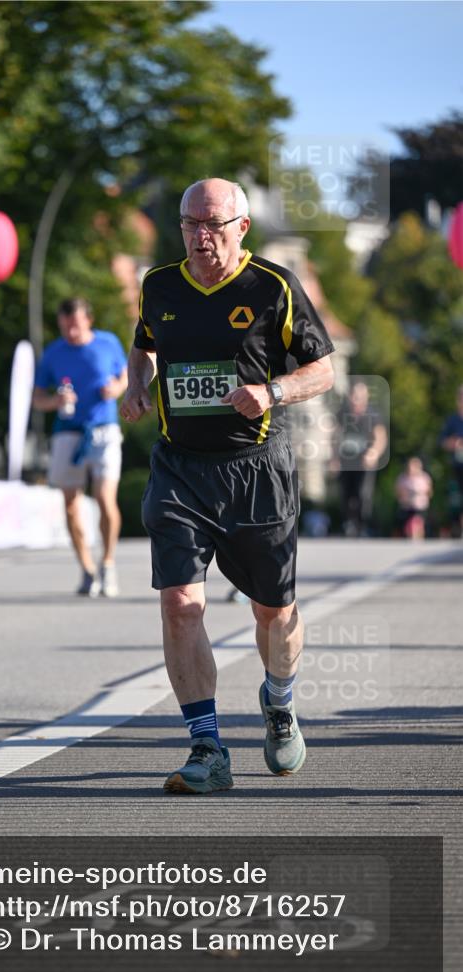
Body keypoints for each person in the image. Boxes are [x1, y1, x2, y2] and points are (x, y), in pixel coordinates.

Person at [120, 177, 335, 794]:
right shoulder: (159, 285)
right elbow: (145, 343)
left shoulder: (273, 288)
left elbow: (322, 369)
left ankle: (280, 701)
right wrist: (138, 383)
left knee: (275, 611)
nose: (201, 237)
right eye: (190, 224)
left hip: (256, 469)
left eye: (213, 225)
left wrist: (272, 391)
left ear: (242, 227)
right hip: (181, 468)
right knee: (180, 604)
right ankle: (207, 747)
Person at [33, 298, 128, 597]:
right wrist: (55, 402)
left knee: (104, 498)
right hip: (67, 432)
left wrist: (117, 388)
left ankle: (108, 563)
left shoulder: (108, 342)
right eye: (65, 327)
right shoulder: (53, 352)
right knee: (71, 506)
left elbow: (126, 375)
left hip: (104, 430)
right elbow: (37, 398)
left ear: (88, 320)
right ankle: (87, 569)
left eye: (74, 325)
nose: (70, 332)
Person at [335, 381, 387, 537]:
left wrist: (374, 453)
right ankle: (349, 524)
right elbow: (335, 436)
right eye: (353, 396)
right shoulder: (343, 413)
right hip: (346, 462)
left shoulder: (373, 415)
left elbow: (380, 437)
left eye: (359, 396)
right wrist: (334, 457)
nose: (355, 399)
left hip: (364, 462)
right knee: (346, 494)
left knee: (362, 494)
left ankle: (362, 525)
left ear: (366, 397)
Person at [439, 385, 463, 534]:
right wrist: (453, 443)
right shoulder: (452, 420)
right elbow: (442, 441)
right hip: (458, 466)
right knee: (458, 497)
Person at [394, 457, 432, 539]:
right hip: (407, 505)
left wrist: (420, 494)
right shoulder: (403, 478)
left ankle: (419, 537)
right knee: (408, 524)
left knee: (418, 522)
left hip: (420, 505)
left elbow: (429, 491)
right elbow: (398, 491)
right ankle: (410, 537)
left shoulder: (424, 477)